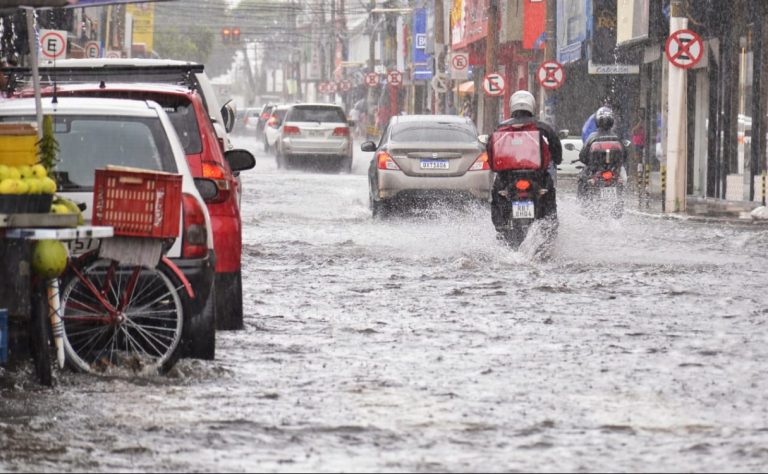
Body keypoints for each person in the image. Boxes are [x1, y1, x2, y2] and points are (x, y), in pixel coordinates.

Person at [488, 90, 562, 231]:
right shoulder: (541, 127)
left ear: (512, 106)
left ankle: (501, 225)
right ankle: (549, 227)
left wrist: (495, 167)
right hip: (537, 176)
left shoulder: (501, 128)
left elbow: (491, 149)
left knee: (498, 195)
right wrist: (557, 159)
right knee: (548, 196)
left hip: (507, 177)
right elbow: (555, 144)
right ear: (531, 106)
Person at [578, 106, 628, 187]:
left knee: (582, 178)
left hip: (596, 172)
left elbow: (583, 157)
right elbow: (625, 156)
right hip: (614, 171)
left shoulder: (592, 137)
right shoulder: (617, 137)